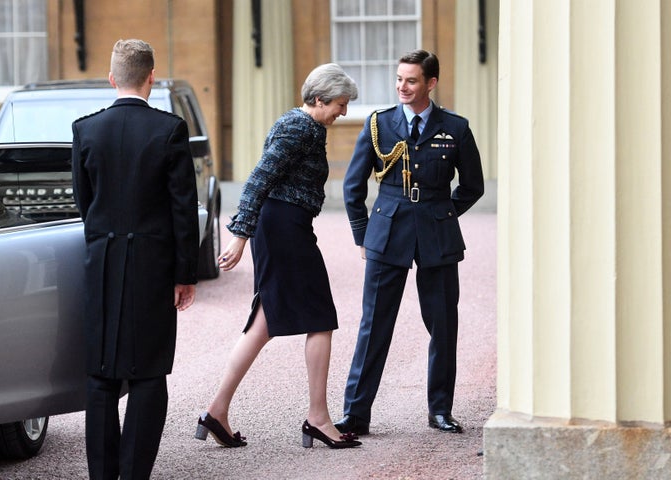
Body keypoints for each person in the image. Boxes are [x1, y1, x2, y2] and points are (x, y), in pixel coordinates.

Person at [195, 63, 361, 450]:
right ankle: (318, 418)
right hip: (285, 228)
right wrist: (238, 235)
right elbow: (258, 179)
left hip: (285, 226)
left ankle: (216, 411)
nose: (344, 112)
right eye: (340, 104)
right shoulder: (299, 127)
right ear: (318, 99)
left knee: (264, 324)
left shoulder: (303, 125)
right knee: (320, 317)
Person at [335, 49, 484, 436]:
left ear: (430, 83)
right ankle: (355, 413)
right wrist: (362, 234)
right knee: (374, 325)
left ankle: (440, 411)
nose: (402, 86)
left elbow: (473, 186)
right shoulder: (378, 124)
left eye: (411, 80)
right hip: (387, 232)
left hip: (437, 233)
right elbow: (353, 185)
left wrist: (443, 214)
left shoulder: (456, 127)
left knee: (443, 324)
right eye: (399, 79)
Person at [72, 39, 199, 479]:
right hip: (153, 264)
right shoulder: (169, 130)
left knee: (102, 373)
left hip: (102, 260)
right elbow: (183, 208)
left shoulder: (85, 129)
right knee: (147, 373)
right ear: (151, 78)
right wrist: (186, 274)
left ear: (112, 79)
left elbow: (84, 203)